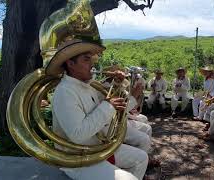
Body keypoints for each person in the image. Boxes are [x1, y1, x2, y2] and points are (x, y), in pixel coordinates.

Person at [51, 39, 148, 180]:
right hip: (77, 159)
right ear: (71, 64)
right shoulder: (65, 92)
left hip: (97, 149)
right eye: (86, 59)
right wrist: (109, 106)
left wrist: (117, 84)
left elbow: (114, 107)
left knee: (142, 158)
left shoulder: (88, 85)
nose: (92, 64)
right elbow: (78, 134)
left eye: (91, 59)